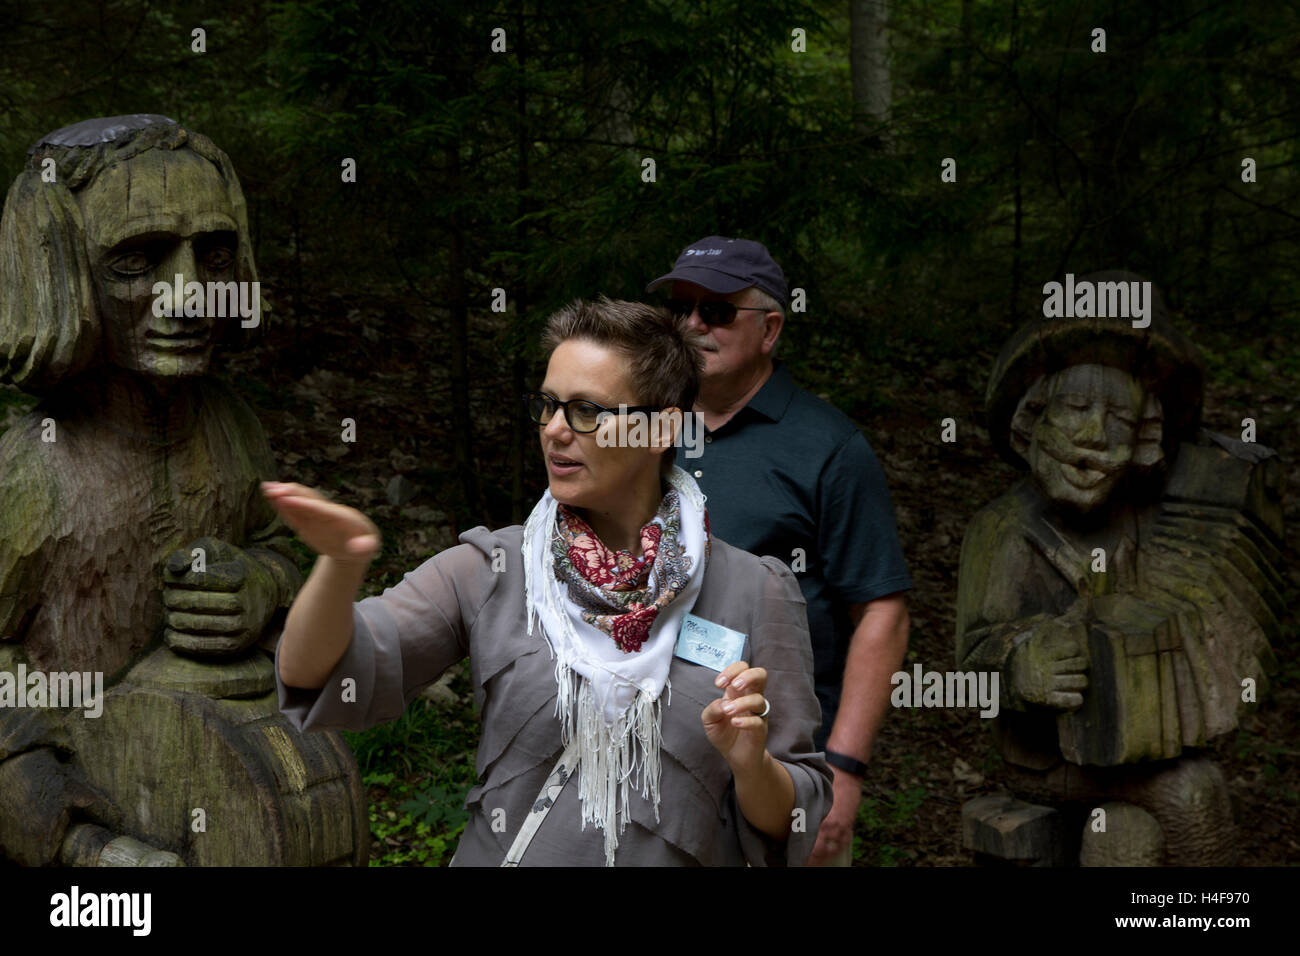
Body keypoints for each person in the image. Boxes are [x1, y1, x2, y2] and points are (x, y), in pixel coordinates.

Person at [270, 296, 831, 865]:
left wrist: (749, 762)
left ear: (663, 428)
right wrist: (340, 566)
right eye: (548, 405)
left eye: (587, 410)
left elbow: (794, 816)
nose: (556, 430)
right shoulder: (494, 568)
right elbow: (320, 673)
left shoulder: (754, 591)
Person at [646, 237, 912, 866]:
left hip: (779, 757)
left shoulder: (827, 447)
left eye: (715, 311)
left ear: (769, 331)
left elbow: (882, 612)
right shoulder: (643, 427)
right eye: (681, 308)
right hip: (647, 747)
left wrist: (843, 770)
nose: (691, 325)